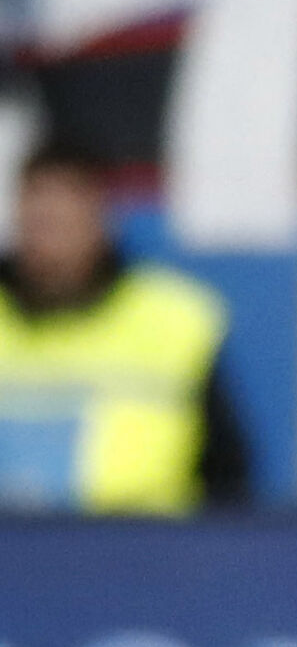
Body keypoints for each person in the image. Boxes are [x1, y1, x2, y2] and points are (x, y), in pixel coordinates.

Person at [0, 141, 248, 512]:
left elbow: (227, 472)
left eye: (64, 220)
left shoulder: (175, 319)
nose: (50, 239)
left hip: (144, 552)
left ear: (102, 218)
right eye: (40, 221)